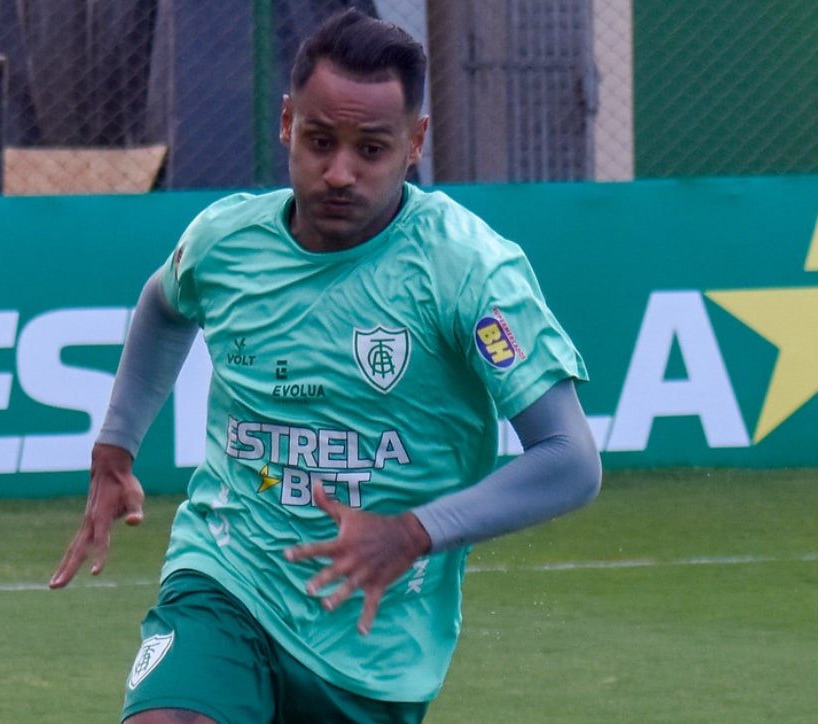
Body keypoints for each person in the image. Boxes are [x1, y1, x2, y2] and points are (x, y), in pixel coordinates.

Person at [49, 9, 601, 723]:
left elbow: (570, 461)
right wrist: (116, 443)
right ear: (286, 123)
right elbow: (164, 304)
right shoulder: (226, 242)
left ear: (415, 143)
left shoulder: (470, 271)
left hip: (373, 646)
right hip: (227, 577)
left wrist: (412, 533)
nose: (339, 172)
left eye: (371, 149)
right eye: (318, 141)